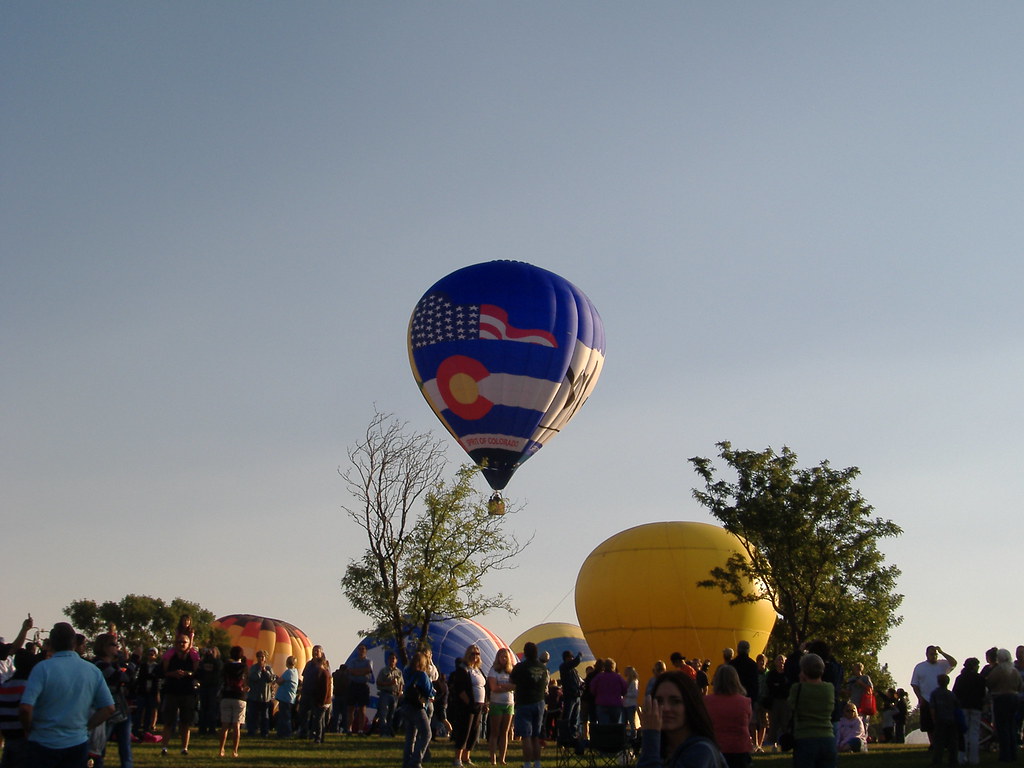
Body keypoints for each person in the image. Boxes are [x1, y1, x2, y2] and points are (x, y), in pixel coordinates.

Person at [18, 622, 115, 767]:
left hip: (43, 741)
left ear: (51, 643)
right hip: (77, 741)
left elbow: (26, 708)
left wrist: (28, 728)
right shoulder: (91, 670)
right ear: (74, 642)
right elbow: (108, 708)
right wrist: (86, 727)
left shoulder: (42, 668)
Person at [637, 671, 726, 768]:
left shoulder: (701, 751)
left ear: (690, 705)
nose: (666, 708)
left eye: (675, 701)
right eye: (659, 701)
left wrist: (651, 735)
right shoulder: (664, 750)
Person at [787, 652, 836, 768]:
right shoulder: (829, 688)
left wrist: (802, 682)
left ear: (803, 670)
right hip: (827, 737)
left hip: (804, 737)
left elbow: (791, 705)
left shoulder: (797, 688)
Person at [93, 633, 132, 768]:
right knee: (100, 746)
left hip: (121, 709)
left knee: (125, 747)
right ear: (104, 647)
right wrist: (135, 660)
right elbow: (122, 678)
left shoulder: (114, 664)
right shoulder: (99, 665)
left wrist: (122, 658)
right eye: (113, 645)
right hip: (106, 710)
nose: (117, 647)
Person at [703, 665, 752, 768]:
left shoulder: (707, 701)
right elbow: (748, 721)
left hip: (716, 748)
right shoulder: (745, 702)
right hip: (740, 748)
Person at [510, 641, 549, 768]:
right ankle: (537, 763)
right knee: (535, 736)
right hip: (539, 702)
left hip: (524, 703)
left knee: (526, 736)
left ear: (525, 653)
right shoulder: (543, 668)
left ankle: (527, 764)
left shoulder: (520, 667)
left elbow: (512, 680)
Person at [160, 632, 199, 756]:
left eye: (184, 642)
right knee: (168, 722)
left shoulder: (193, 658)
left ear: (189, 644)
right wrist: (172, 674)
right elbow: (161, 672)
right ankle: (164, 747)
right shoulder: (170, 656)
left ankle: (184, 748)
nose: (181, 644)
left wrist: (188, 674)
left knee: (185, 722)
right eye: (179, 642)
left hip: (187, 692)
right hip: (172, 691)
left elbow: (198, 673)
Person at [910, 645, 957, 746]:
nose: (934, 656)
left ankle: (942, 742)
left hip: (941, 699)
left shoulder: (942, 664)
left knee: (941, 723)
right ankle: (933, 744)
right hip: (926, 699)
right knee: (929, 725)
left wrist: (942, 652)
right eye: (932, 654)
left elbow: (954, 663)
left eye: (935, 654)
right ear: (927, 655)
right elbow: (914, 684)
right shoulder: (920, 667)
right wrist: (920, 698)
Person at [449, 645, 487, 768]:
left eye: (477, 654)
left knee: (474, 732)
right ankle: (457, 758)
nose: (475, 656)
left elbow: (483, 687)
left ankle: (467, 757)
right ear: (467, 654)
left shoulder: (478, 670)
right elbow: (460, 689)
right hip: (467, 705)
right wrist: (469, 703)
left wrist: (485, 702)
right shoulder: (463, 669)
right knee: (464, 731)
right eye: (473, 653)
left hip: (479, 705)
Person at [1, 648, 39, 768]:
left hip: (8, 737)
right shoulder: (28, 687)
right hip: (24, 738)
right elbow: (26, 710)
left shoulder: (5, 686)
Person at [985, 648, 1022, 763]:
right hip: (1014, 698)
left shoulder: (998, 671)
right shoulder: (1014, 671)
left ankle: (1005, 755)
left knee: (1002, 727)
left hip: (1001, 699)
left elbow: (989, 683)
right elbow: (1020, 685)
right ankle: (1013, 754)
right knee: (1012, 726)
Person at [402, 651, 435, 768]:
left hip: (406, 705)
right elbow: (428, 691)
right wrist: (433, 694)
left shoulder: (407, 672)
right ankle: (416, 761)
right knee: (426, 733)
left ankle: (407, 761)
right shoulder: (422, 675)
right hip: (417, 706)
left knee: (410, 736)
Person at [953, 658, 986, 765]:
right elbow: (983, 694)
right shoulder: (980, 678)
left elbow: (955, 693)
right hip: (976, 707)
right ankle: (974, 759)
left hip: (963, 707)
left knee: (963, 733)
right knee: (974, 733)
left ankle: (962, 758)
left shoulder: (960, 678)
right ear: (974, 666)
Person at [487, 647, 515, 766]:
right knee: (495, 732)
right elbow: (493, 687)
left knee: (505, 732)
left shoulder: (511, 671)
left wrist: (502, 687)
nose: (503, 659)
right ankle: (493, 758)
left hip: (509, 704)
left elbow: (514, 686)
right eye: (501, 656)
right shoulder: (493, 670)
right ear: (498, 658)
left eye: (505, 657)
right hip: (496, 703)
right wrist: (506, 687)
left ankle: (502, 758)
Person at [218, 646, 247, 758]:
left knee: (225, 725)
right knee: (236, 726)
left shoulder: (226, 667)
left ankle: (221, 749)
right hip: (239, 697)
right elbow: (245, 681)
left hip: (226, 696)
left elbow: (221, 679)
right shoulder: (244, 667)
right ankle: (234, 751)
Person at [299, 646, 332, 744]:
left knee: (317, 717)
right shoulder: (308, 664)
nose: (315, 653)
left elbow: (327, 682)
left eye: (318, 651)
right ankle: (304, 732)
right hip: (306, 692)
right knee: (303, 714)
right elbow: (304, 677)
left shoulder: (324, 666)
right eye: (314, 651)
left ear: (321, 653)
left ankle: (316, 735)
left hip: (317, 695)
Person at [131, 648, 161, 739]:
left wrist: (157, 693)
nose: (150, 656)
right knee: (139, 710)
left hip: (152, 692)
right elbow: (140, 677)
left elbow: (158, 679)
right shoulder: (143, 666)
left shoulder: (157, 667)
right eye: (149, 654)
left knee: (149, 711)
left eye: (152, 654)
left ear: (155, 656)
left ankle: (146, 730)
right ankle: (135, 729)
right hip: (142, 690)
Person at [928, 674, 958, 766]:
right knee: (952, 742)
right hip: (951, 720)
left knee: (938, 742)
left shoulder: (934, 693)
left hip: (940, 720)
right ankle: (953, 760)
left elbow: (932, 708)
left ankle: (937, 760)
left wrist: (934, 719)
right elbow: (956, 707)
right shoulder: (951, 694)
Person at [765, 654, 791, 753]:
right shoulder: (772, 674)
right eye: (779, 660)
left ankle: (786, 744)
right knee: (773, 724)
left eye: (782, 660)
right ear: (775, 662)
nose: (781, 662)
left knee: (785, 723)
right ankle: (774, 744)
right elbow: (770, 686)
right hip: (774, 701)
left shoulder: (788, 674)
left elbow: (787, 687)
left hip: (785, 702)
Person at [590, 658, 627, 725]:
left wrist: (597, 695)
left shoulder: (599, 677)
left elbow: (592, 688)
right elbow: (625, 689)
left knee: (603, 726)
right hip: (615, 705)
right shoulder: (618, 677)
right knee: (614, 726)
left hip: (601, 704)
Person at [347, 644, 373, 735]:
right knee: (351, 708)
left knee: (362, 709)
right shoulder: (353, 661)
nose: (361, 651)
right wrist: (361, 672)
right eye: (360, 649)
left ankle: (361, 729)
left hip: (363, 686)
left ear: (366, 651)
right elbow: (351, 671)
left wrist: (357, 672)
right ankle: (349, 729)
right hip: (353, 685)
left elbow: (368, 670)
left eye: (363, 649)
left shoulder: (368, 661)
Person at [376, 652, 404, 737]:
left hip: (394, 695)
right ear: (388, 660)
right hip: (385, 693)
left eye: (394, 659)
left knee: (391, 714)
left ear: (396, 660)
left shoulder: (398, 672)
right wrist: (388, 683)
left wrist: (400, 692)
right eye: (391, 658)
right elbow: (378, 682)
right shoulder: (384, 671)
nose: (392, 660)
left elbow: (401, 683)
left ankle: (389, 731)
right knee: (383, 713)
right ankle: (383, 731)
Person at [558, 651, 583, 743]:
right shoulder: (564, 667)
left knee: (575, 718)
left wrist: (581, 688)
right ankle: (566, 735)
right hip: (570, 696)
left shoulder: (573, 670)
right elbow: (576, 661)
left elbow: (577, 682)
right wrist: (580, 655)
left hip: (576, 696)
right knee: (568, 717)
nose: (572, 658)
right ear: (567, 658)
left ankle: (573, 735)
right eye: (571, 657)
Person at [274, 655, 299, 738]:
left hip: (285, 698)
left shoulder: (288, 672)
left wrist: (276, 678)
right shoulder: (295, 672)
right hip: (290, 698)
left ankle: (285, 733)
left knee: (284, 716)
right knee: (286, 716)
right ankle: (284, 732)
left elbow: (279, 682)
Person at [845, 663, 873, 735]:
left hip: (864, 702)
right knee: (854, 720)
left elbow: (870, 689)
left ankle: (864, 737)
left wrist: (861, 684)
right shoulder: (851, 679)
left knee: (864, 721)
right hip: (854, 702)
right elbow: (848, 692)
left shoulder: (865, 678)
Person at [623, 666, 640, 737]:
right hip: (626, 704)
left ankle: (633, 735)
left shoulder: (634, 682)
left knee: (631, 721)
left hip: (631, 704)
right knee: (625, 721)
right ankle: (626, 735)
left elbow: (635, 693)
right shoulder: (628, 681)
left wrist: (626, 694)